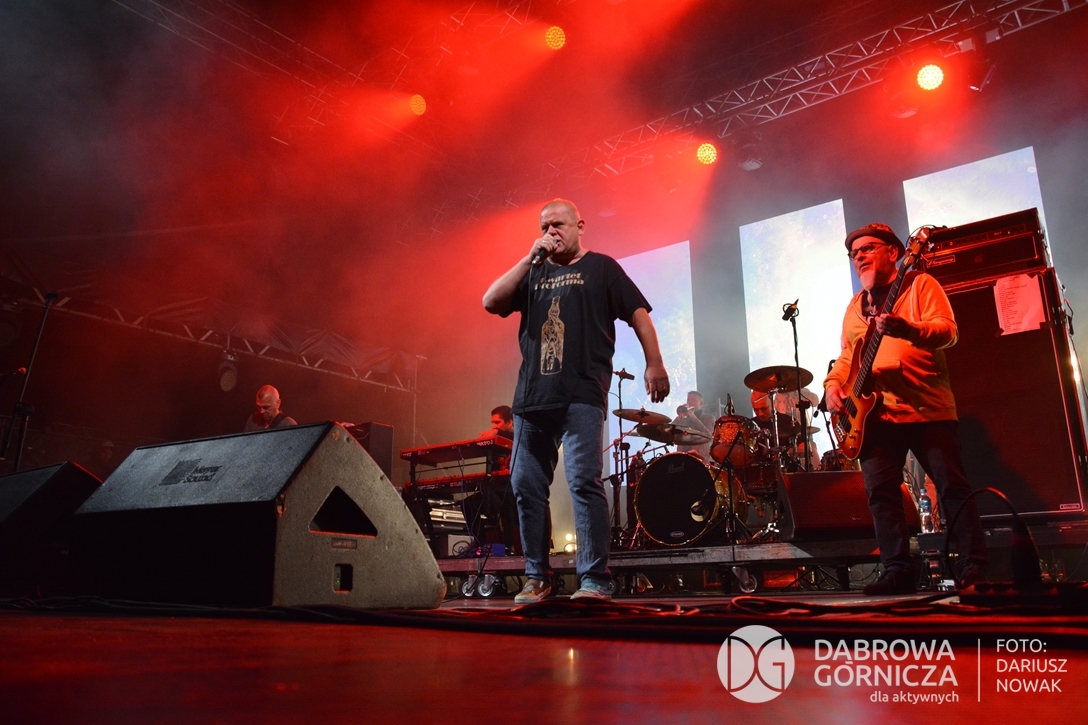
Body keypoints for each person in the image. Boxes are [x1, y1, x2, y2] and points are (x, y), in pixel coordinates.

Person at [483, 199, 670, 603]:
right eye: (544, 226)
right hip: (532, 398)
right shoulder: (533, 271)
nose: (551, 232)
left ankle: (594, 579)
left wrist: (654, 363)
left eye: (559, 224)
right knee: (525, 485)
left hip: (581, 393)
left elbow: (638, 313)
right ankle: (538, 576)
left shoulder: (602, 268)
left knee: (584, 482)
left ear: (580, 226)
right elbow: (490, 301)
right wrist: (528, 258)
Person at [824, 223, 987, 595]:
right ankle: (897, 569)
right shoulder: (855, 306)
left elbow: (948, 331)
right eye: (854, 253)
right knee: (881, 496)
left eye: (867, 248)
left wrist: (907, 329)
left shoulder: (920, 285)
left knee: (952, 488)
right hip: (873, 417)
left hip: (925, 408)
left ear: (894, 252)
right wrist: (833, 384)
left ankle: (973, 566)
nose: (859, 257)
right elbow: (848, 356)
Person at [671, 391, 714, 460]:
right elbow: (669, 432)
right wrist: (678, 419)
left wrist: (694, 418)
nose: (690, 402)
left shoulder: (709, 418)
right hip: (682, 457)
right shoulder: (683, 419)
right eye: (688, 400)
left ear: (701, 403)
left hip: (700, 457)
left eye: (693, 400)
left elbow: (709, 436)